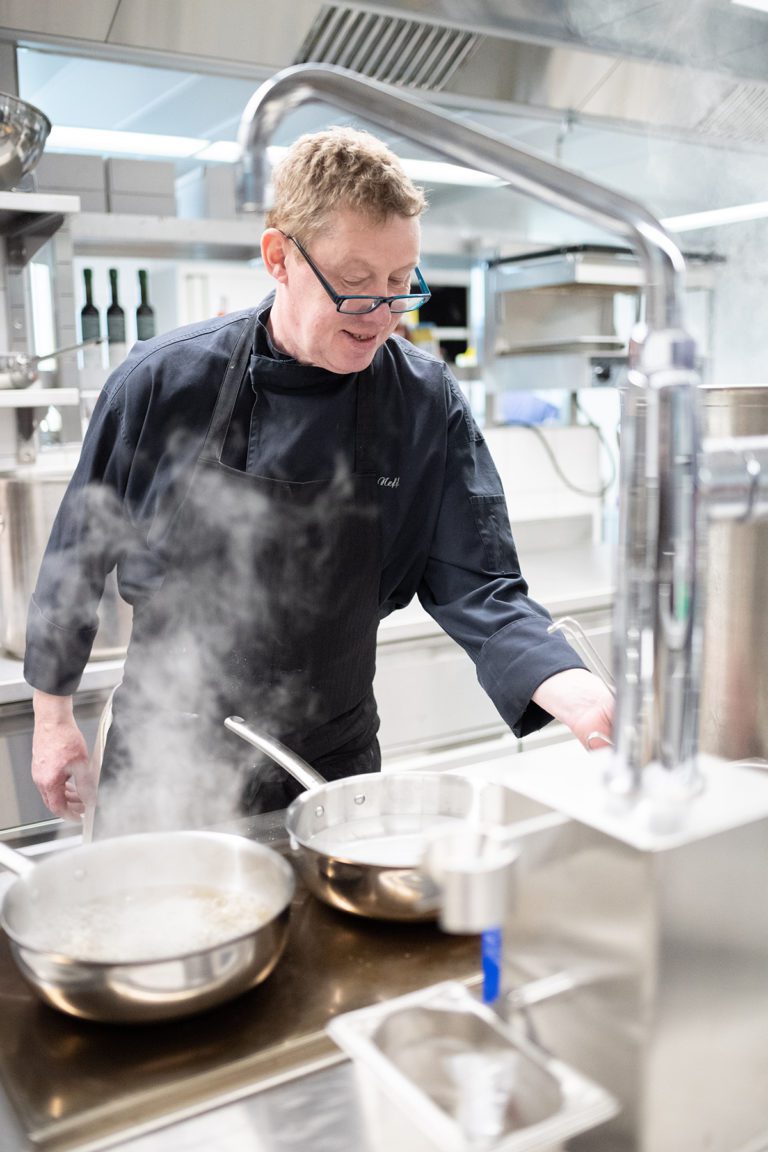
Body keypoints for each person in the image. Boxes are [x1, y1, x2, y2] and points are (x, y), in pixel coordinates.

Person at [27, 127, 613, 833]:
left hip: (332, 768)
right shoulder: (162, 382)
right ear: (280, 257)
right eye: (356, 282)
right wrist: (52, 717)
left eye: (400, 283)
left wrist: (567, 682)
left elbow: (480, 583)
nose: (383, 313)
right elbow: (76, 559)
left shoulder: (424, 404)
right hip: (166, 762)